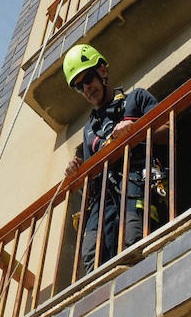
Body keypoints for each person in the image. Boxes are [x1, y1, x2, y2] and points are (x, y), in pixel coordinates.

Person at [63, 43, 166, 274]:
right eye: (79, 87)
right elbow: (90, 183)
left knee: (134, 242)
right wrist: (76, 175)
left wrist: (136, 128)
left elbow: (169, 131)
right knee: (91, 258)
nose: (86, 88)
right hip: (102, 204)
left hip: (135, 186)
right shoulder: (90, 131)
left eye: (88, 78)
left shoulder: (136, 100)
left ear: (103, 71)